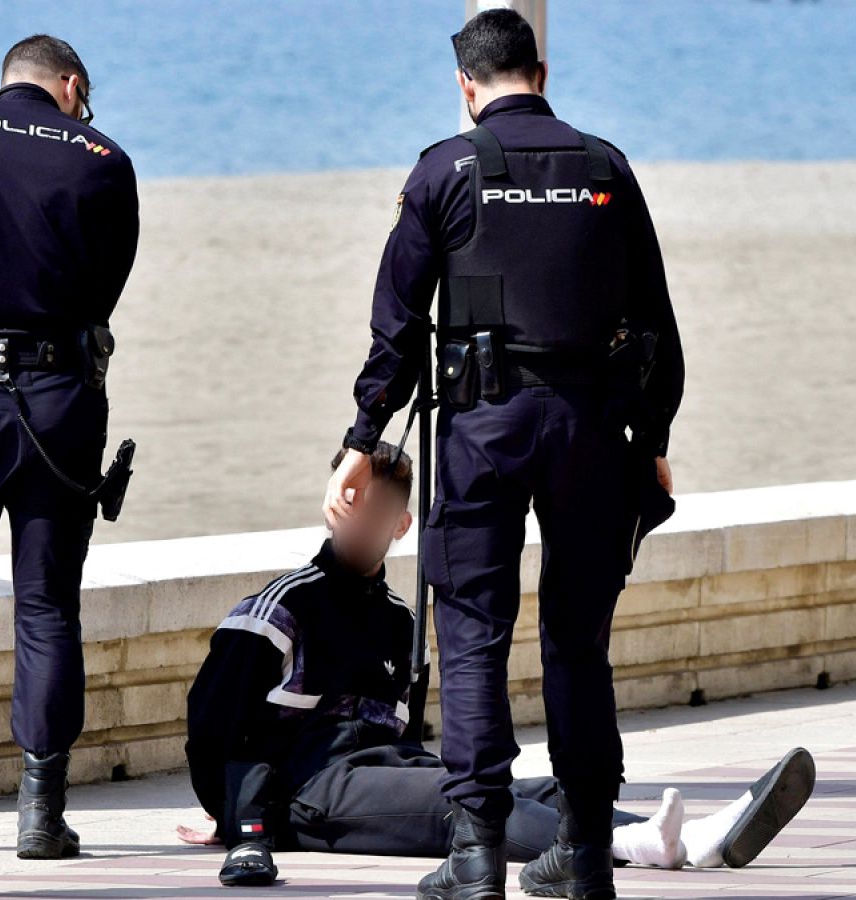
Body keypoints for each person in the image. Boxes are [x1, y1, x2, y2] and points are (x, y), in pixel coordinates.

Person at [322, 9, 684, 899]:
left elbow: (397, 326)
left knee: (475, 636)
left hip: (483, 429)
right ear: (543, 73)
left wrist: (363, 438)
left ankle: (477, 852)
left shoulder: (444, 171)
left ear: (465, 86)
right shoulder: (606, 168)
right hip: (592, 430)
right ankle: (589, 852)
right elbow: (657, 321)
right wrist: (657, 436)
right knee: (578, 641)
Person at [191, 447, 812, 888]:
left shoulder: (400, 620)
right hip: (309, 789)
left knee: (528, 787)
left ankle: (697, 834)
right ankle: (631, 846)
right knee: (462, 803)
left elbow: (403, 736)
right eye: (350, 505)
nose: (360, 522)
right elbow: (214, 722)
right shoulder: (281, 608)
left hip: (382, 771)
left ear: (401, 524)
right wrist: (232, 817)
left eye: (376, 512)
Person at [0, 34, 140, 862]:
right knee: (48, 606)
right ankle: (41, 814)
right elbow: (104, 292)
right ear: (70, 86)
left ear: (5, 81)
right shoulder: (102, 159)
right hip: (60, 402)